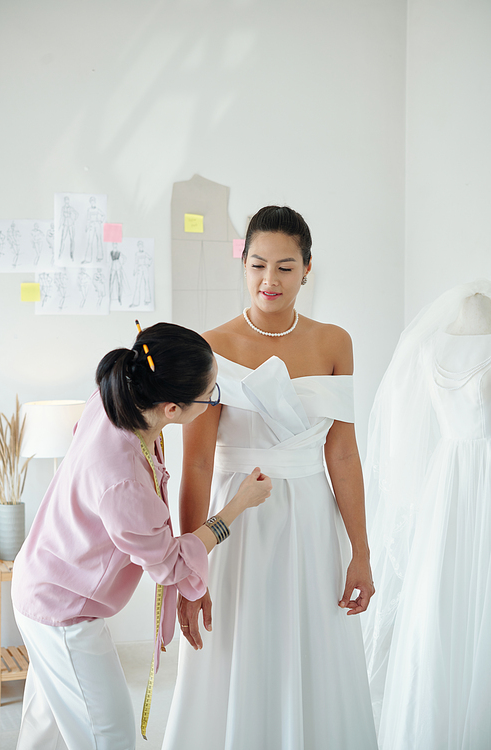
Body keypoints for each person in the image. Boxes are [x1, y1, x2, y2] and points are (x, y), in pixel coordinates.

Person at [162, 206, 378, 750]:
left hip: (309, 521)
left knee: (311, 650)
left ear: (307, 269)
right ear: (243, 264)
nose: (269, 280)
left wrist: (362, 551)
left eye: (285, 267)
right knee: (239, 648)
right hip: (237, 523)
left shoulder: (335, 343)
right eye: (258, 264)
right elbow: (196, 463)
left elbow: (344, 456)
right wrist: (191, 569)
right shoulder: (210, 346)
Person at [11, 322, 271, 750]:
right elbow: (169, 564)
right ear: (172, 409)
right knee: (109, 736)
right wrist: (236, 506)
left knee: (47, 730)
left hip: (39, 581)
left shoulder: (114, 399)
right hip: (61, 611)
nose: (213, 401)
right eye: (211, 395)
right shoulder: (125, 480)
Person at [362, 280, 491, 749]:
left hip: (475, 478)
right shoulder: (427, 348)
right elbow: (405, 434)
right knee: (446, 590)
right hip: (453, 484)